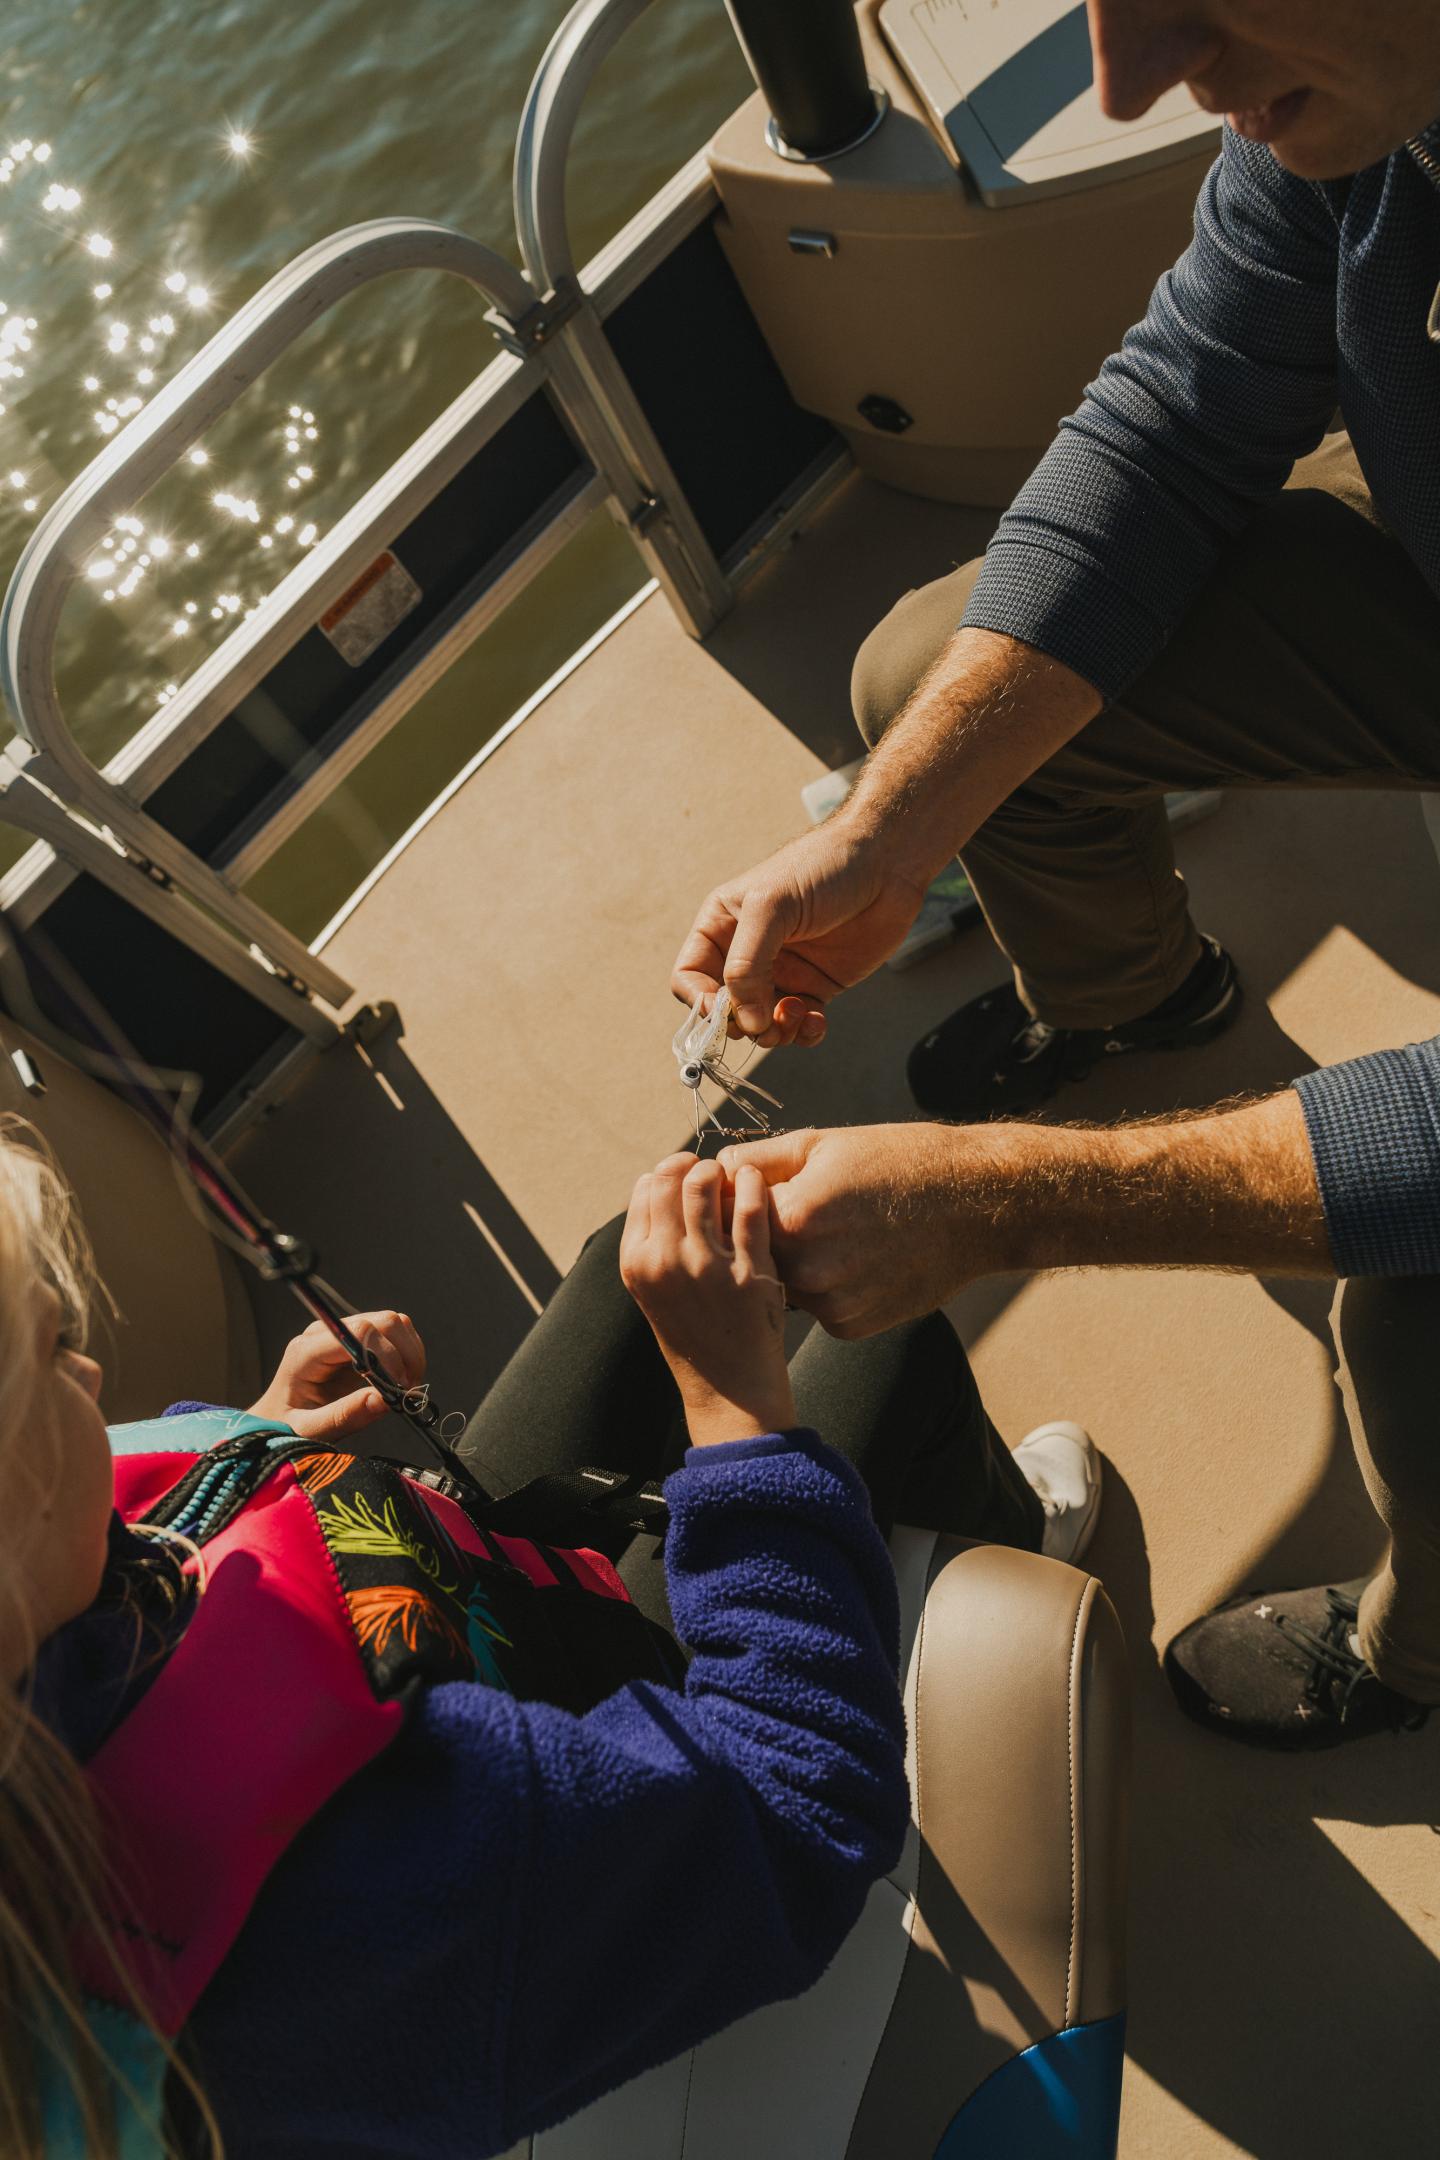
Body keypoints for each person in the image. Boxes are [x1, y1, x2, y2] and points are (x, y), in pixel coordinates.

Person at [670, 0, 1440, 1752]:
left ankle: (1423, 1654)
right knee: (919, 692)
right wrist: (885, 837)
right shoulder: (1374, 102)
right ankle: (1141, 996)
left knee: (1424, 1319)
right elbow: (1174, 422)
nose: (1131, 79)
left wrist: (1009, 1199)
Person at [2, 1126, 1087, 2159]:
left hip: (456, 1610)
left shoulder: (41, 1620)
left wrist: (249, 1435)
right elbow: (794, 1806)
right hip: (606, 1743)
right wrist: (736, 1413)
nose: (98, 1387)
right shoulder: (321, 1893)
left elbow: (132, 1533)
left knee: (631, 1253)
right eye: (55, 1357)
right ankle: (1017, 1534)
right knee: (891, 1354)